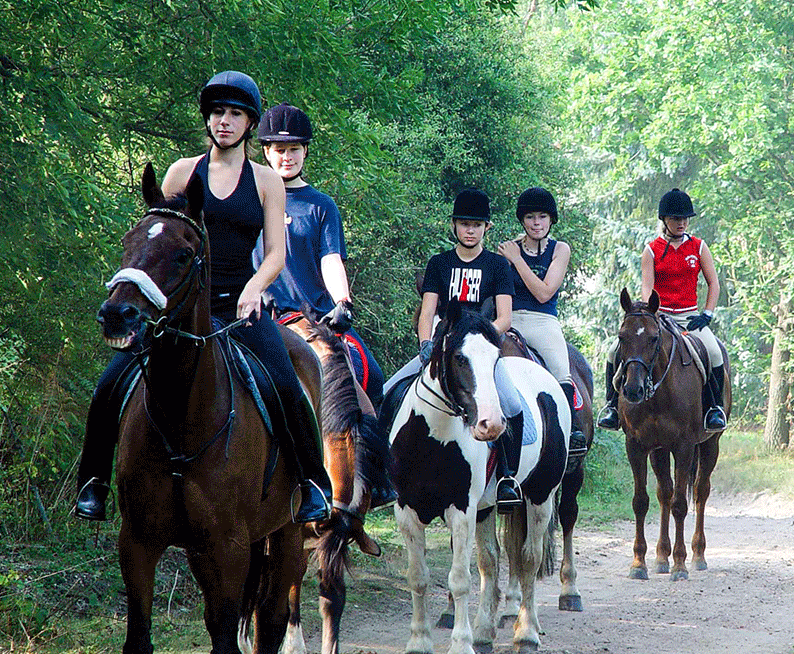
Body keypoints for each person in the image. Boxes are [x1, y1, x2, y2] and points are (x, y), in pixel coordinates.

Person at [73, 70, 331, 524]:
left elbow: (275, 254)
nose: (224, 122)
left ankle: (313, 484)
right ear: (207, 120)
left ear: (250, 123)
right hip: (177, 309)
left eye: (234, 114)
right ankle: (93, 484)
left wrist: (255, 289)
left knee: (286, 383)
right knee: (110, 383)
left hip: (240, 308)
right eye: (217, 113)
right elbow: (159, 243)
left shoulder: (266, 181)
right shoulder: (180, 172)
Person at [380, 188, 523, 506]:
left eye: (476, 224)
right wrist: (426, 343)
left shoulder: (498, 266)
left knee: (512, 403)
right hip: (444, 349)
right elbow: (427, 312)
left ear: (487, 227)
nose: (470, 230)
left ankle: (507, 479)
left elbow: (504, 318)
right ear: (454, 226)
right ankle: (381, 475)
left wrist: (479, 340)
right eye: (464, 224)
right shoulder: (439, 264)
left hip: (481, 352)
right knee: (387, 392)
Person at [254, 102, 384, 402]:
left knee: (372, 377)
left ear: (305, 151)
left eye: (294, 149)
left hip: (315, 316)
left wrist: (342, 302)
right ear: (266, 152)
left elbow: (331, 259)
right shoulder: (251, 198)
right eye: (279, 149)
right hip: (263, 314)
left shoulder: (321, 205)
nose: (287, 157)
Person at [597, 188, 727, 432]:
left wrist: (707, 314)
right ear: (664, 220)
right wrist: (651, 316)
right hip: (660, 316)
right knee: (614, 351)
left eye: (685, 218)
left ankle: (714, 409)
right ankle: (612, 407)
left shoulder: (699, 247)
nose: (682, 223)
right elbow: (648, 289)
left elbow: (713, 283)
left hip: (689, 318)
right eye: (676, 219)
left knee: (714, 352)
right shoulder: (651, 249)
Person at [497, 187, 588, 454]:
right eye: (530, 217)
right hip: (508, 318)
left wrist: (517, 260)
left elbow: (544, 292)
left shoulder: (560, 249)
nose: (536, 223)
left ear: (551, 220)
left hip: (543, 321)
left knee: (562, 370)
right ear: (522, 220)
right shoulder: (508, 249)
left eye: (542, 217)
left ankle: (572, 436)